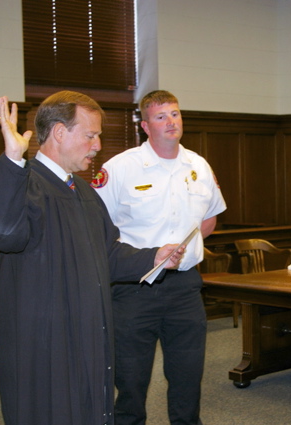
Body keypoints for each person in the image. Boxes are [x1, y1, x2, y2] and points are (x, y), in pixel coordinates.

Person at [0, 91, 185, 425]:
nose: (98, 145)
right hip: (46, 340)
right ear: (59, 132)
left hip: (87, 332)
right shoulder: (26, 184)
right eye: (91, 135)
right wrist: (12, 160)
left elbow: (108, 252)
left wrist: (153, 257)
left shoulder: (81, 190)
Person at [92, 90, 227, 425]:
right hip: (134, 289)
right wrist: (148, 255)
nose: (171, 122)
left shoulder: (198, 165)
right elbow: (97, 226)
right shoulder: (120, 168)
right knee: (131, 381)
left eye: (176, 114)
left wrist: (183, 250)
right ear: (144, 125)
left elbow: (208, 220)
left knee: (187, 377)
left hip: (185, 288)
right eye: (161, 116)